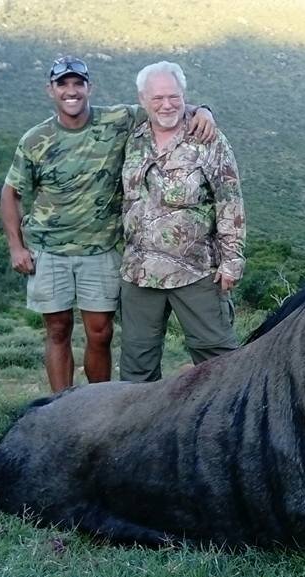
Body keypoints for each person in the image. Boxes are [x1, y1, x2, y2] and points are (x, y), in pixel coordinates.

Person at [0, 56, 217, 392]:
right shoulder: (35, 139)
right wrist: (16, 246)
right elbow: (10, 193)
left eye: (78, 84)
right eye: (63, 84)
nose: (71, 91)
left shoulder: (117, 120)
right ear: (51, 90)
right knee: (57, 330)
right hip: (49, 250)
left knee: (100, 332)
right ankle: (62, 407)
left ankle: (97, 405)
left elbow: (162, 104)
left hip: (100, 249)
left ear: (89, 88)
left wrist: (203, 110)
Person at [119, 61, 245, 382]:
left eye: (174, 97)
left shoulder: (208, 139)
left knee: (218, 361)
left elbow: (229, 200)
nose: (167, 105)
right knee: (137, 367)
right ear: (142, 99)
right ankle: (140, 430)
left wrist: (232, 260)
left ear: (184, 96)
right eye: (157, 98)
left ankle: (228, 428)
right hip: (139, 272)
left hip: (197, 271)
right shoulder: (132, 136)